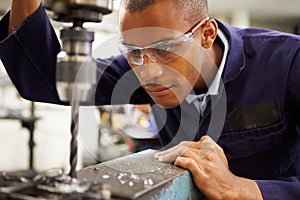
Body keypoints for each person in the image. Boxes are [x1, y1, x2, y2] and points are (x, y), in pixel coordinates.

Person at [1, 0, 300, 199]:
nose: (148, 72)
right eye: (133, 52)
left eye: (166, 49)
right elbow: (43, 79)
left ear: (206, 34)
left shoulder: (288, 62)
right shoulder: (145, 65)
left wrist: (243, 189)